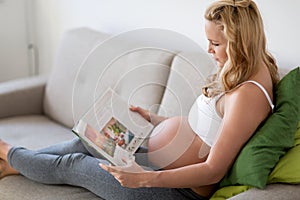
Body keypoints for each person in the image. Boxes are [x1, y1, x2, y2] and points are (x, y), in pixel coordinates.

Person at [0, 0, 279, 199]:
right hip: (151, 158)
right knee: (84, 140)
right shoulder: (246, 68)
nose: (208, 50)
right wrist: (155, 120)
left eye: (216, 44)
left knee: (74, 163)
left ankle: (7, 151)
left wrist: (145, 178)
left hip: (172, 190)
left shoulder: (248, 95)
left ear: (240, 41)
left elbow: (212, 170)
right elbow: (208, 129)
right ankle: (15, 164)